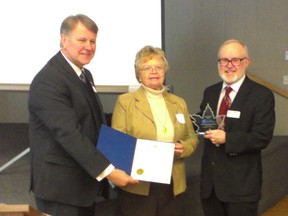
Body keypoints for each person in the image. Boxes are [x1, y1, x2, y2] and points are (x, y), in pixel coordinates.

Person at [28, 14, 138, 216]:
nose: (88, 46)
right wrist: (110, 172)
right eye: (82, 40)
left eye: (93, 41)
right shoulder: (49, 80)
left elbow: (92, 119)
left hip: (82, 185)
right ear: (64, 39)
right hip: (61, 190)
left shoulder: (84, 74)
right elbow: (69, 134)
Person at [111, 45, 199, 216]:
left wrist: (183, 147)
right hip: (139, 184)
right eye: (147, 67)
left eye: (158, 66)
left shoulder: (179, 102)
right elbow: (118, 143)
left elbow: (192, 136)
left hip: (172, 182)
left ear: (165, 71)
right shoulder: (125, 102)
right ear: (139, 74)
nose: (153, 71)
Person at [197, 39, 275, 216]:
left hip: (242, 188)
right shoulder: (210, 92)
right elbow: (205, 122)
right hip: (211, 187)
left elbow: (262, 137)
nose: (229, 65)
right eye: (224, 60)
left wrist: (227, 138)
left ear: (246, 62)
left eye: (235, 60)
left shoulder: (261, 95)